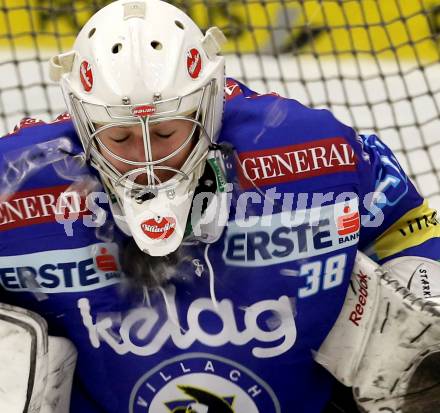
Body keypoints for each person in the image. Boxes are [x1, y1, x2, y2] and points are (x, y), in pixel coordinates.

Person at [1, 0, 440, 412]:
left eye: (167, 133)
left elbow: (411, 226)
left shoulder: (310, 149)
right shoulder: (17, 181)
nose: (146, 158)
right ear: (83, 120)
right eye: (119, 137)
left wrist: (420, 313)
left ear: (209, 105)